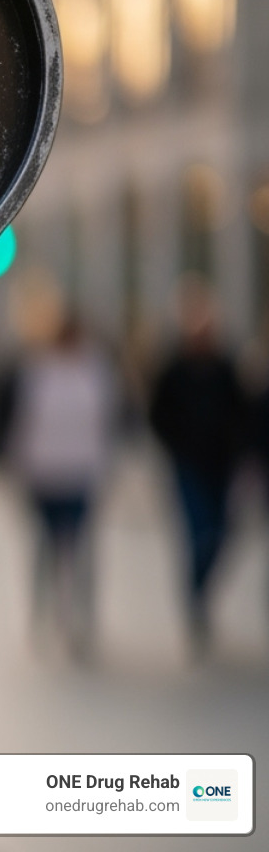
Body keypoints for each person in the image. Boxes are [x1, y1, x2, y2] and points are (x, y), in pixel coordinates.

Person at [5, 313, 118, 660]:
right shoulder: (38, 372)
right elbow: (23, 420)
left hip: (81, 471)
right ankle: (43, 615)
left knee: (81, 551)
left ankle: (81, 621)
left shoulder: (96, 372)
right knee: (45, 549)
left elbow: (107, 422)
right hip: (44, 472)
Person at [147, 281, 245, 656]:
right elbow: (159, 414)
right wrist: (176, 446)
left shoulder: (224, 366)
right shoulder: (173, 369)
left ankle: (201, 593)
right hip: (187, 464)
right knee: (197, 530)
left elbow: (240, 411)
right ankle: (195, 601)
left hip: (219, 464)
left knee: (220, 532)